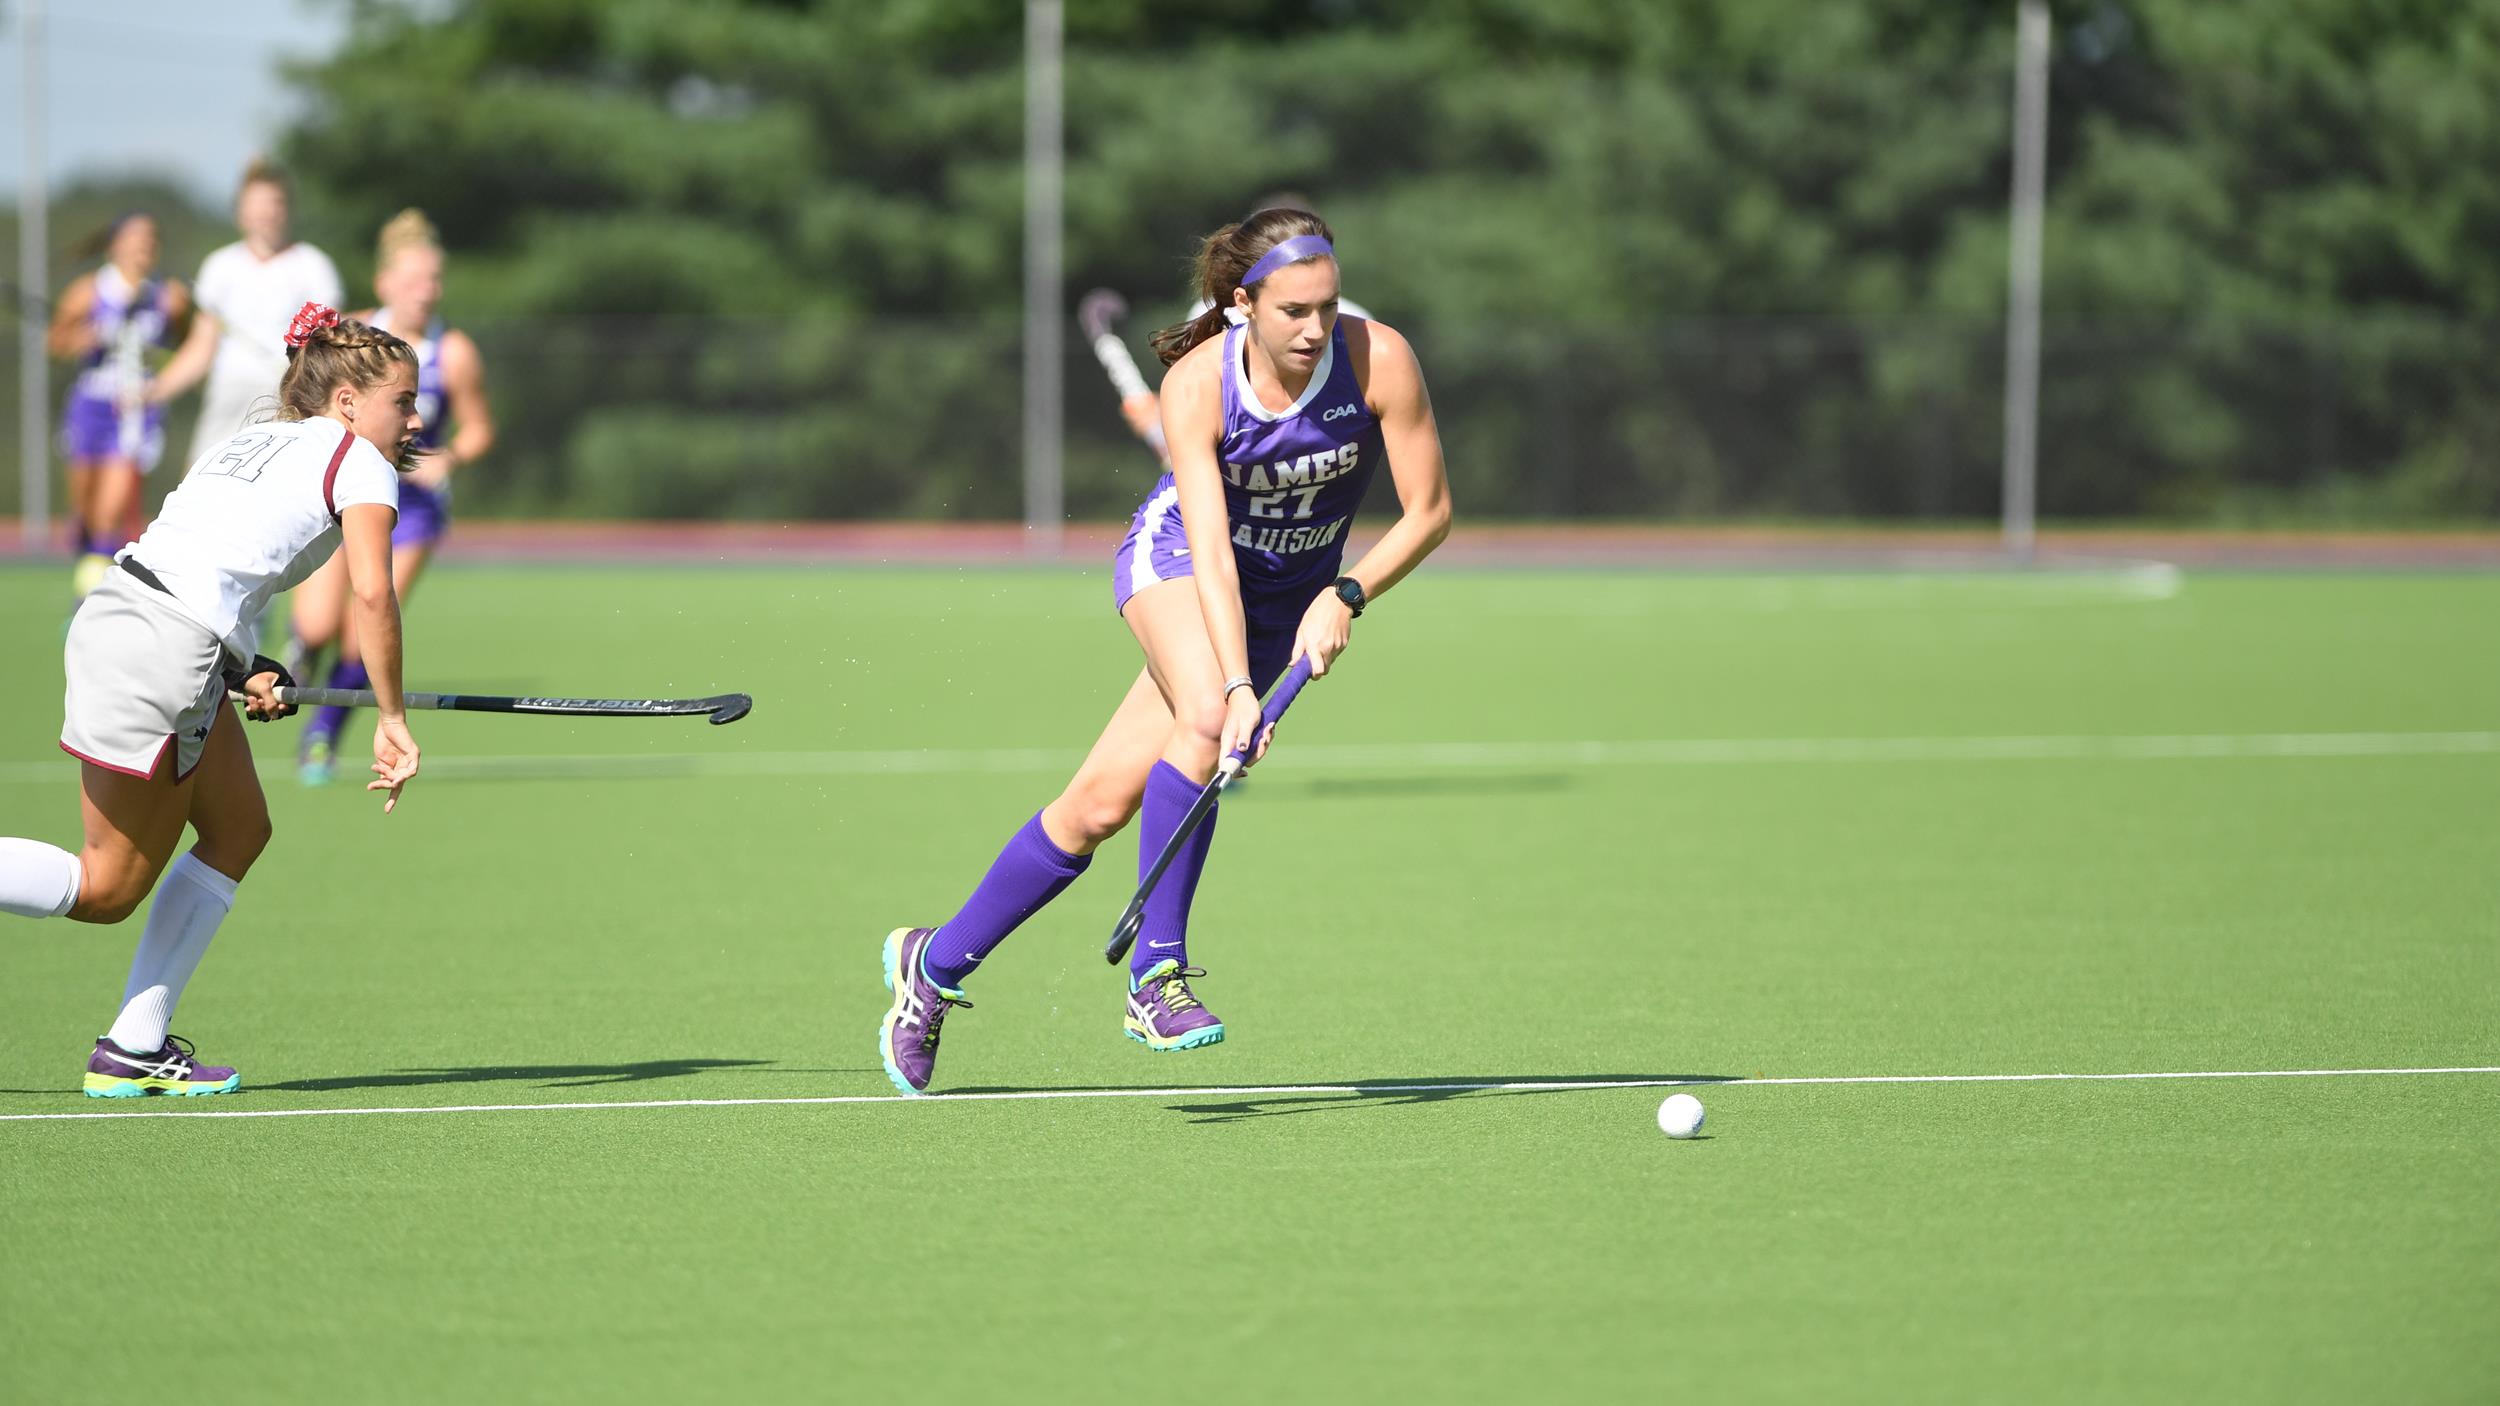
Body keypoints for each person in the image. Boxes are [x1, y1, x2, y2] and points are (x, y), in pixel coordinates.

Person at [876, 208, 1452, 1095]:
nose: (1314, 328)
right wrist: (1234, 687)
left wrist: (1346, 595)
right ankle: (1157, 976)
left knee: (1097, 810)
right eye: (1293, 310)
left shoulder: (1381, 360)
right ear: (1241, 304)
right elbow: (1213, 554)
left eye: (1326, 308)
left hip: (1292, 593)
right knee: (1207, 718)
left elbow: (1430, 513)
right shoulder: (1197, 385)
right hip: (1181, 559)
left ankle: (935, 968)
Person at [0, 303, 423, 1098]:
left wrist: (241, 665)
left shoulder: (255, 440)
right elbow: (372, 593)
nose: (413, 417)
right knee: (106, 888)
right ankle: (130, 1047)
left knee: (237, 829)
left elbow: (197, 564)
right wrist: (391, 719)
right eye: (402, 400)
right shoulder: (357, 459)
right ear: (347, 403)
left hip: (132, 621)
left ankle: (135, 1045)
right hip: (166, 648)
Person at [287, 209, 495, 784]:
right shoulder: (355, 339)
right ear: (385, 285)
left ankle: (322, 735)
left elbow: (478, 427)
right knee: (316, 623)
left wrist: (448, 457)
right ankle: (301, 651)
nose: (425, 292)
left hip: (414, 514)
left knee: (365, 628)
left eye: (433, 281)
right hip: (341, 502)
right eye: (413, 281)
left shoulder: (454, 352)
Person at [144, 158, 344, 466]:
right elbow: (202, 346)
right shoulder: (219, 266)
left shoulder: (314, 266)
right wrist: (156, 390)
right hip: (229, 395)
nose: (266, 212)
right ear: (241, 211)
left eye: (274, 202)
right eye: (256, 203)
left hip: (289, 397)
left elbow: (329, 344)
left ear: (286, 208)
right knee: (202, 483)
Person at [45, 212, 191, 602]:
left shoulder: (167, 297)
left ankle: (89, 601)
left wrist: (158, 369)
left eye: (150, 237)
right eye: (135, 236)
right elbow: (55, 341)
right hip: (89, 406)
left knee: (111, 509)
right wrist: (85, 337)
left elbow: (184, 344)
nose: (144, 244)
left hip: (133, 413)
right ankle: (89, 560)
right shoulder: (90, 290)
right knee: (86, 512)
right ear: (115, 245)